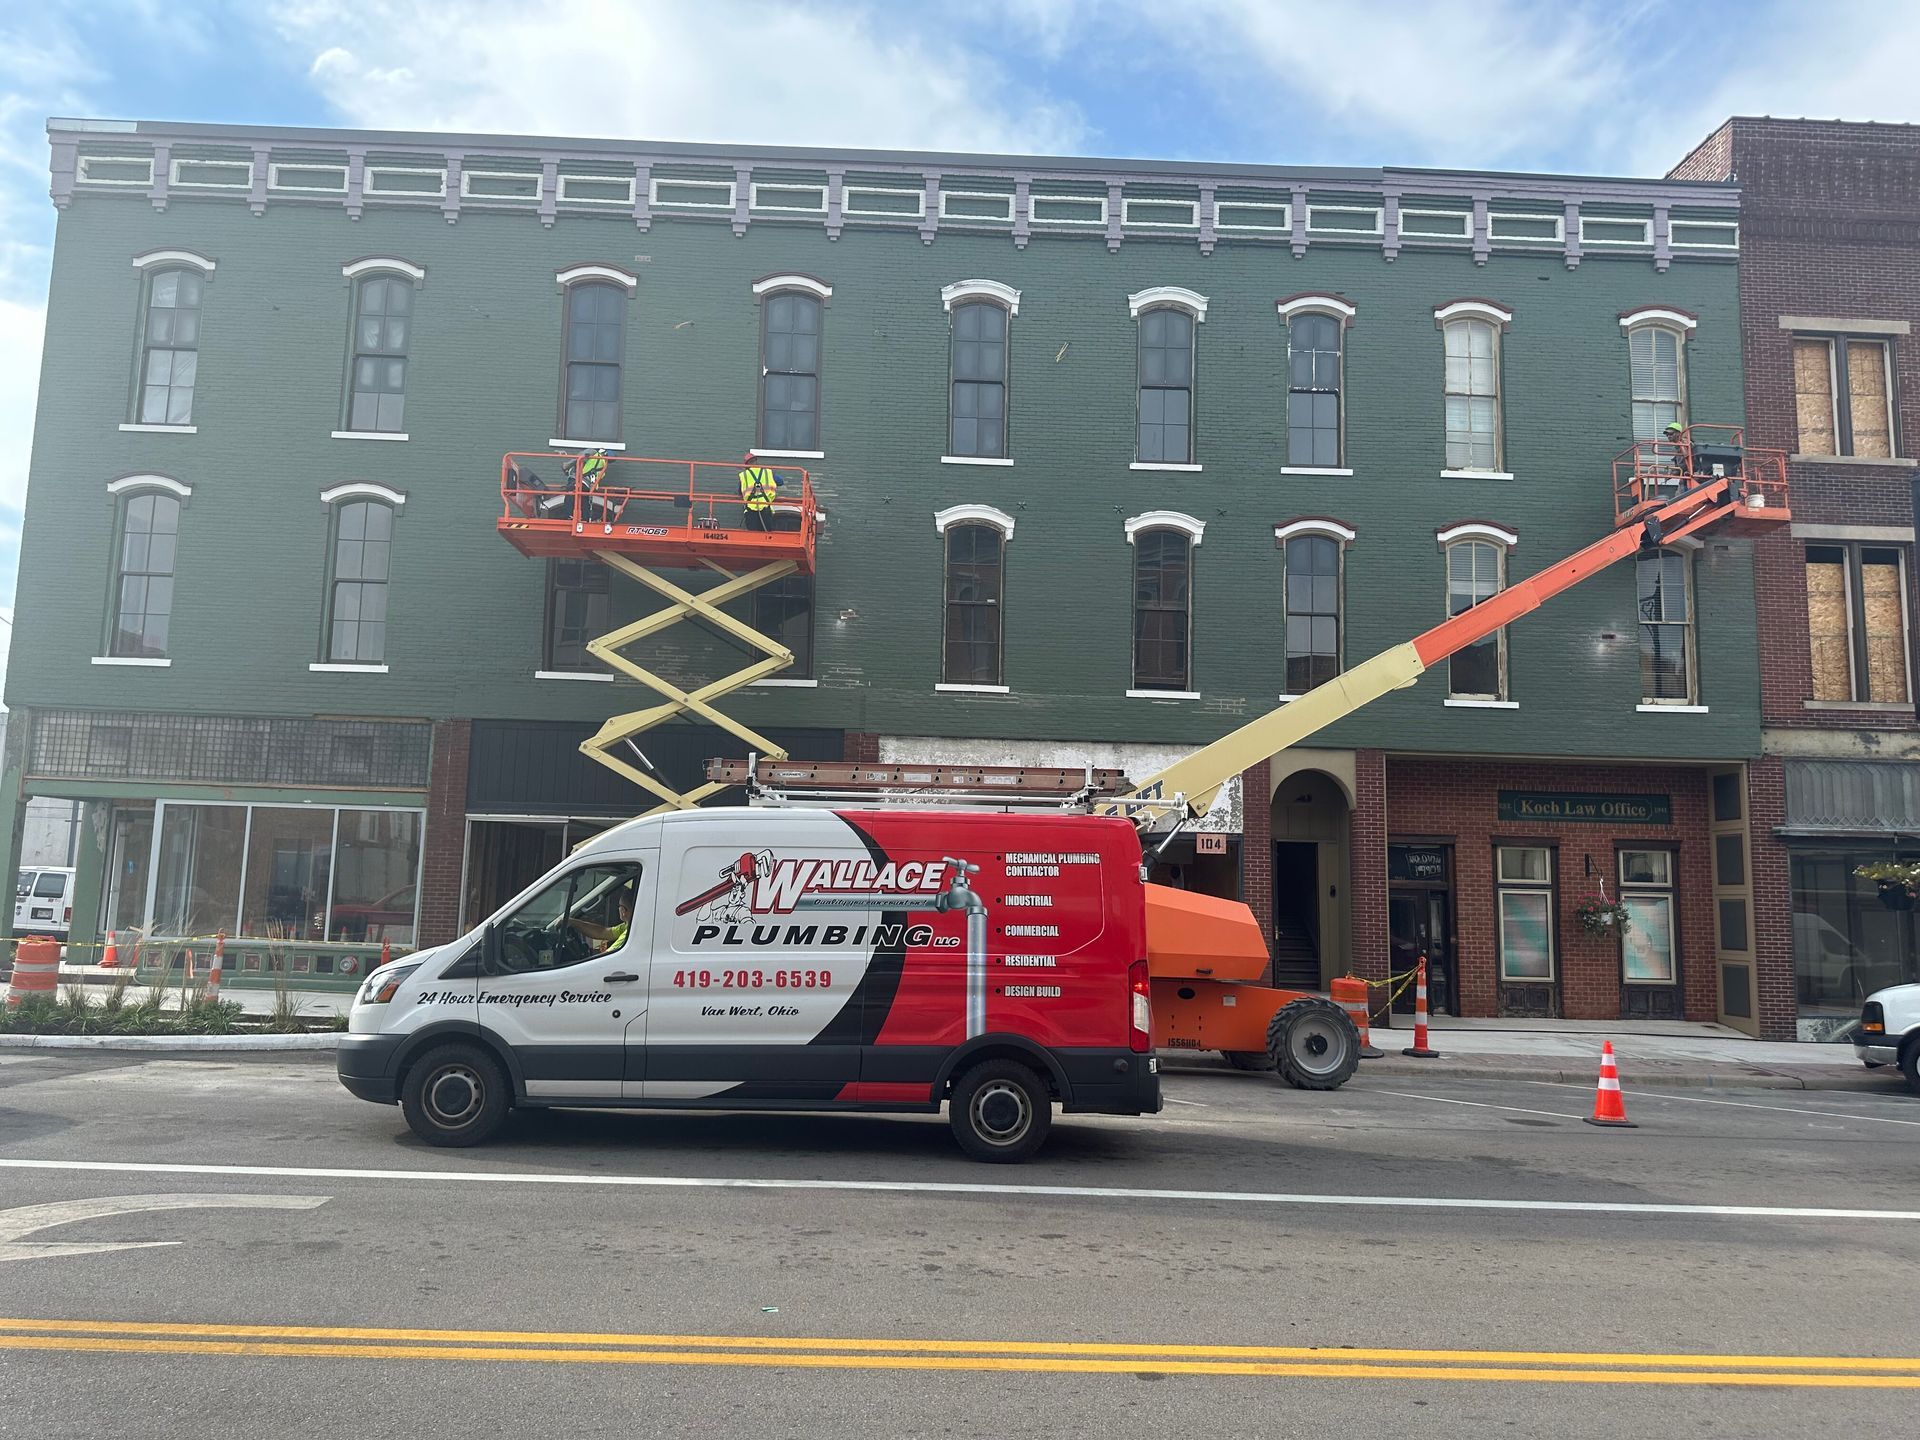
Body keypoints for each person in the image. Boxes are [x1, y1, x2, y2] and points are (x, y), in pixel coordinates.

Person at [570, 884, 634, 953]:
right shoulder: (628, 925)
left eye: (619, 906)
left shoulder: (629, 933)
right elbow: (604, 932)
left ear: (623, 911)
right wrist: (573, 922)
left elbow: (607, 956)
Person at [738, 453, 779, 531]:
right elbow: (780, 481)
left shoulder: (744, 475)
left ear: (746, 465)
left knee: (753, 535)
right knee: (767, 534)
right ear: (756, 461)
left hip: (751, 509)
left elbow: (740, 491)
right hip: (766, 508)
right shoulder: (768, 472)